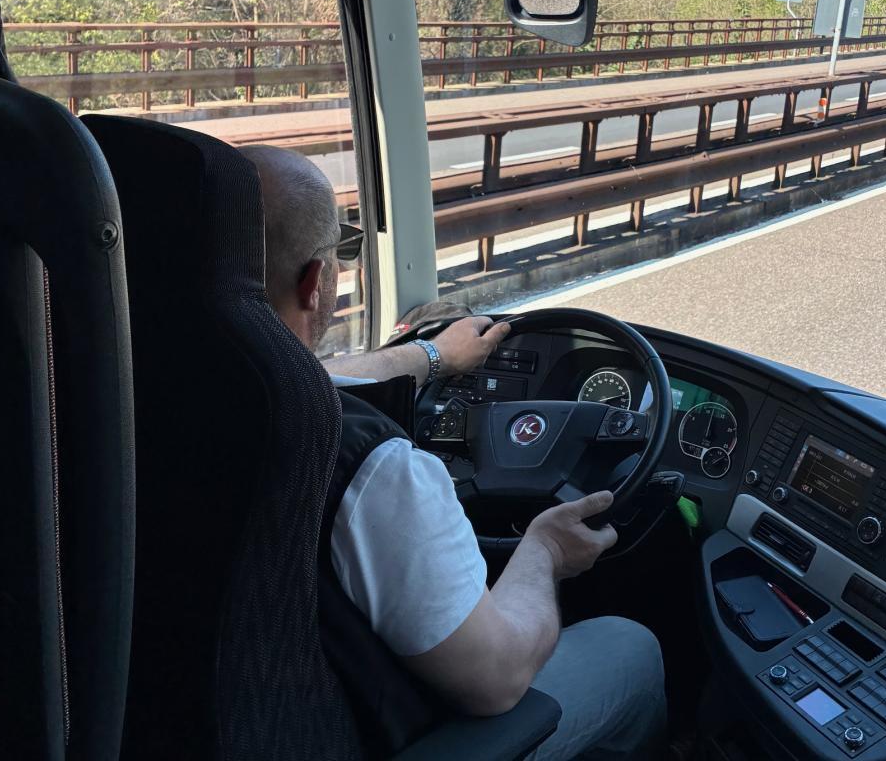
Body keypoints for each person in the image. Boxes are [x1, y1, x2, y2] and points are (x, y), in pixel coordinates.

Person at [239, 145, 667, 760]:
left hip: (251, 716)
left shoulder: (128, 395)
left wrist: (433, 355)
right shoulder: (374, 468)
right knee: (631, 647)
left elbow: (316, 372)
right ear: (317, 281)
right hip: (377, 738)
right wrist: (544, 553)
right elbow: (497, 679)